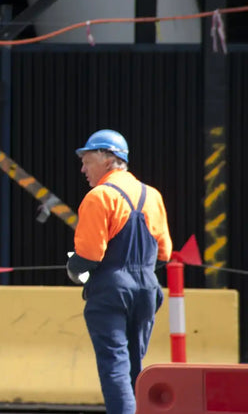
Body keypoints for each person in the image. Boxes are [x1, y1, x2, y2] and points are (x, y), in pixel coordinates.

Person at [67, 129, 173, 414]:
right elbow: (164, 254)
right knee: (135, 365)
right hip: (147, 289)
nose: (83, 168)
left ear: (107, 159)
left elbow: (89, 255)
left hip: (111, 290)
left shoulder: (99, 197)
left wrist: (74, 268)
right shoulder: (152, 196)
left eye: (87, 160)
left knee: (114, 366)